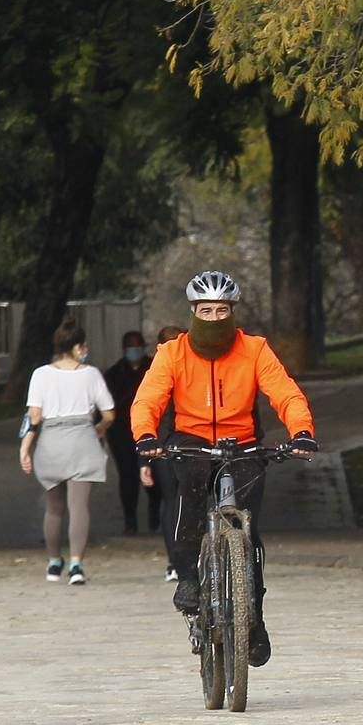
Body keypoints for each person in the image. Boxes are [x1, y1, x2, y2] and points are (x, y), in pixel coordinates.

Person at [131, 271, 318, 668]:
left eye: (221, 310)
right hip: (192, 439)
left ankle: (255, 618)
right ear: (193, 312)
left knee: (248, 530)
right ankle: (186, 576)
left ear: (232, 311)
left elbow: (285, 392)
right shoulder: (173, 353)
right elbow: (148, 398)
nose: (214, 318)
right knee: (191, 496)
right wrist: (146, 435)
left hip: (243, 441)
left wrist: (301, 431)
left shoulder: (254, 349)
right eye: (205, 310)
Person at [19, 317, 115, 586]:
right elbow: (109, 413)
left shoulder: (41, 374)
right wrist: (100, 428)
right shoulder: (91, 374)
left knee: (54, 508)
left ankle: (52, 562)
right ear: (76, 347)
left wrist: (25, 448)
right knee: (79, 507)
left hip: (51, 442)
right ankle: (76, 564)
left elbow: (33, 416)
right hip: (83, 439)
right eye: (82, 345)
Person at [139, 324, 185, 581]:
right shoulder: (156, 375)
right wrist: (144, 458)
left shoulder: (192, 369)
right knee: (174, 502)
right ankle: (177, 560)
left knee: (178, 502)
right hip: (165, 447)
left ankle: (179, 560)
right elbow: (145, 416)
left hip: (170, 446)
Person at [105, 330, 156, 535]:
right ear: (124, 349)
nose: (134, 350)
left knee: (155, 477)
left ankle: (154, 508)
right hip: (122, 433)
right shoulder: (114, 374)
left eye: (138, 346)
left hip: (150, 430)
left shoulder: (153, 368)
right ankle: (130, 519)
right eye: (130, 346)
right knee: (128, 477)